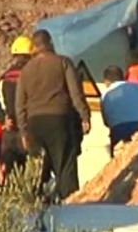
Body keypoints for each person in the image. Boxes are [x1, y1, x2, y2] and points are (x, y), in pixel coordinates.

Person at [15, 30, 90, 201]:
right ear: (50, 43)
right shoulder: (63, 62)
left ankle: (36, 213)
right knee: (65, 168)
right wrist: (84, 116)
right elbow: (75, 93)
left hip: (35, 124)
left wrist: (24, 131)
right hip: (60, 121)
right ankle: (71, 210)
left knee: (37, 173)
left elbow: (20, 104)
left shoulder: (26, 70)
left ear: (34, 47)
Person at [0, 35, 33, 177]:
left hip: (9, 136)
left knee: (10, 180)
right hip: (29, 133)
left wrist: (3, 122)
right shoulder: (35, 77)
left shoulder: (4, 78)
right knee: (33, 179)